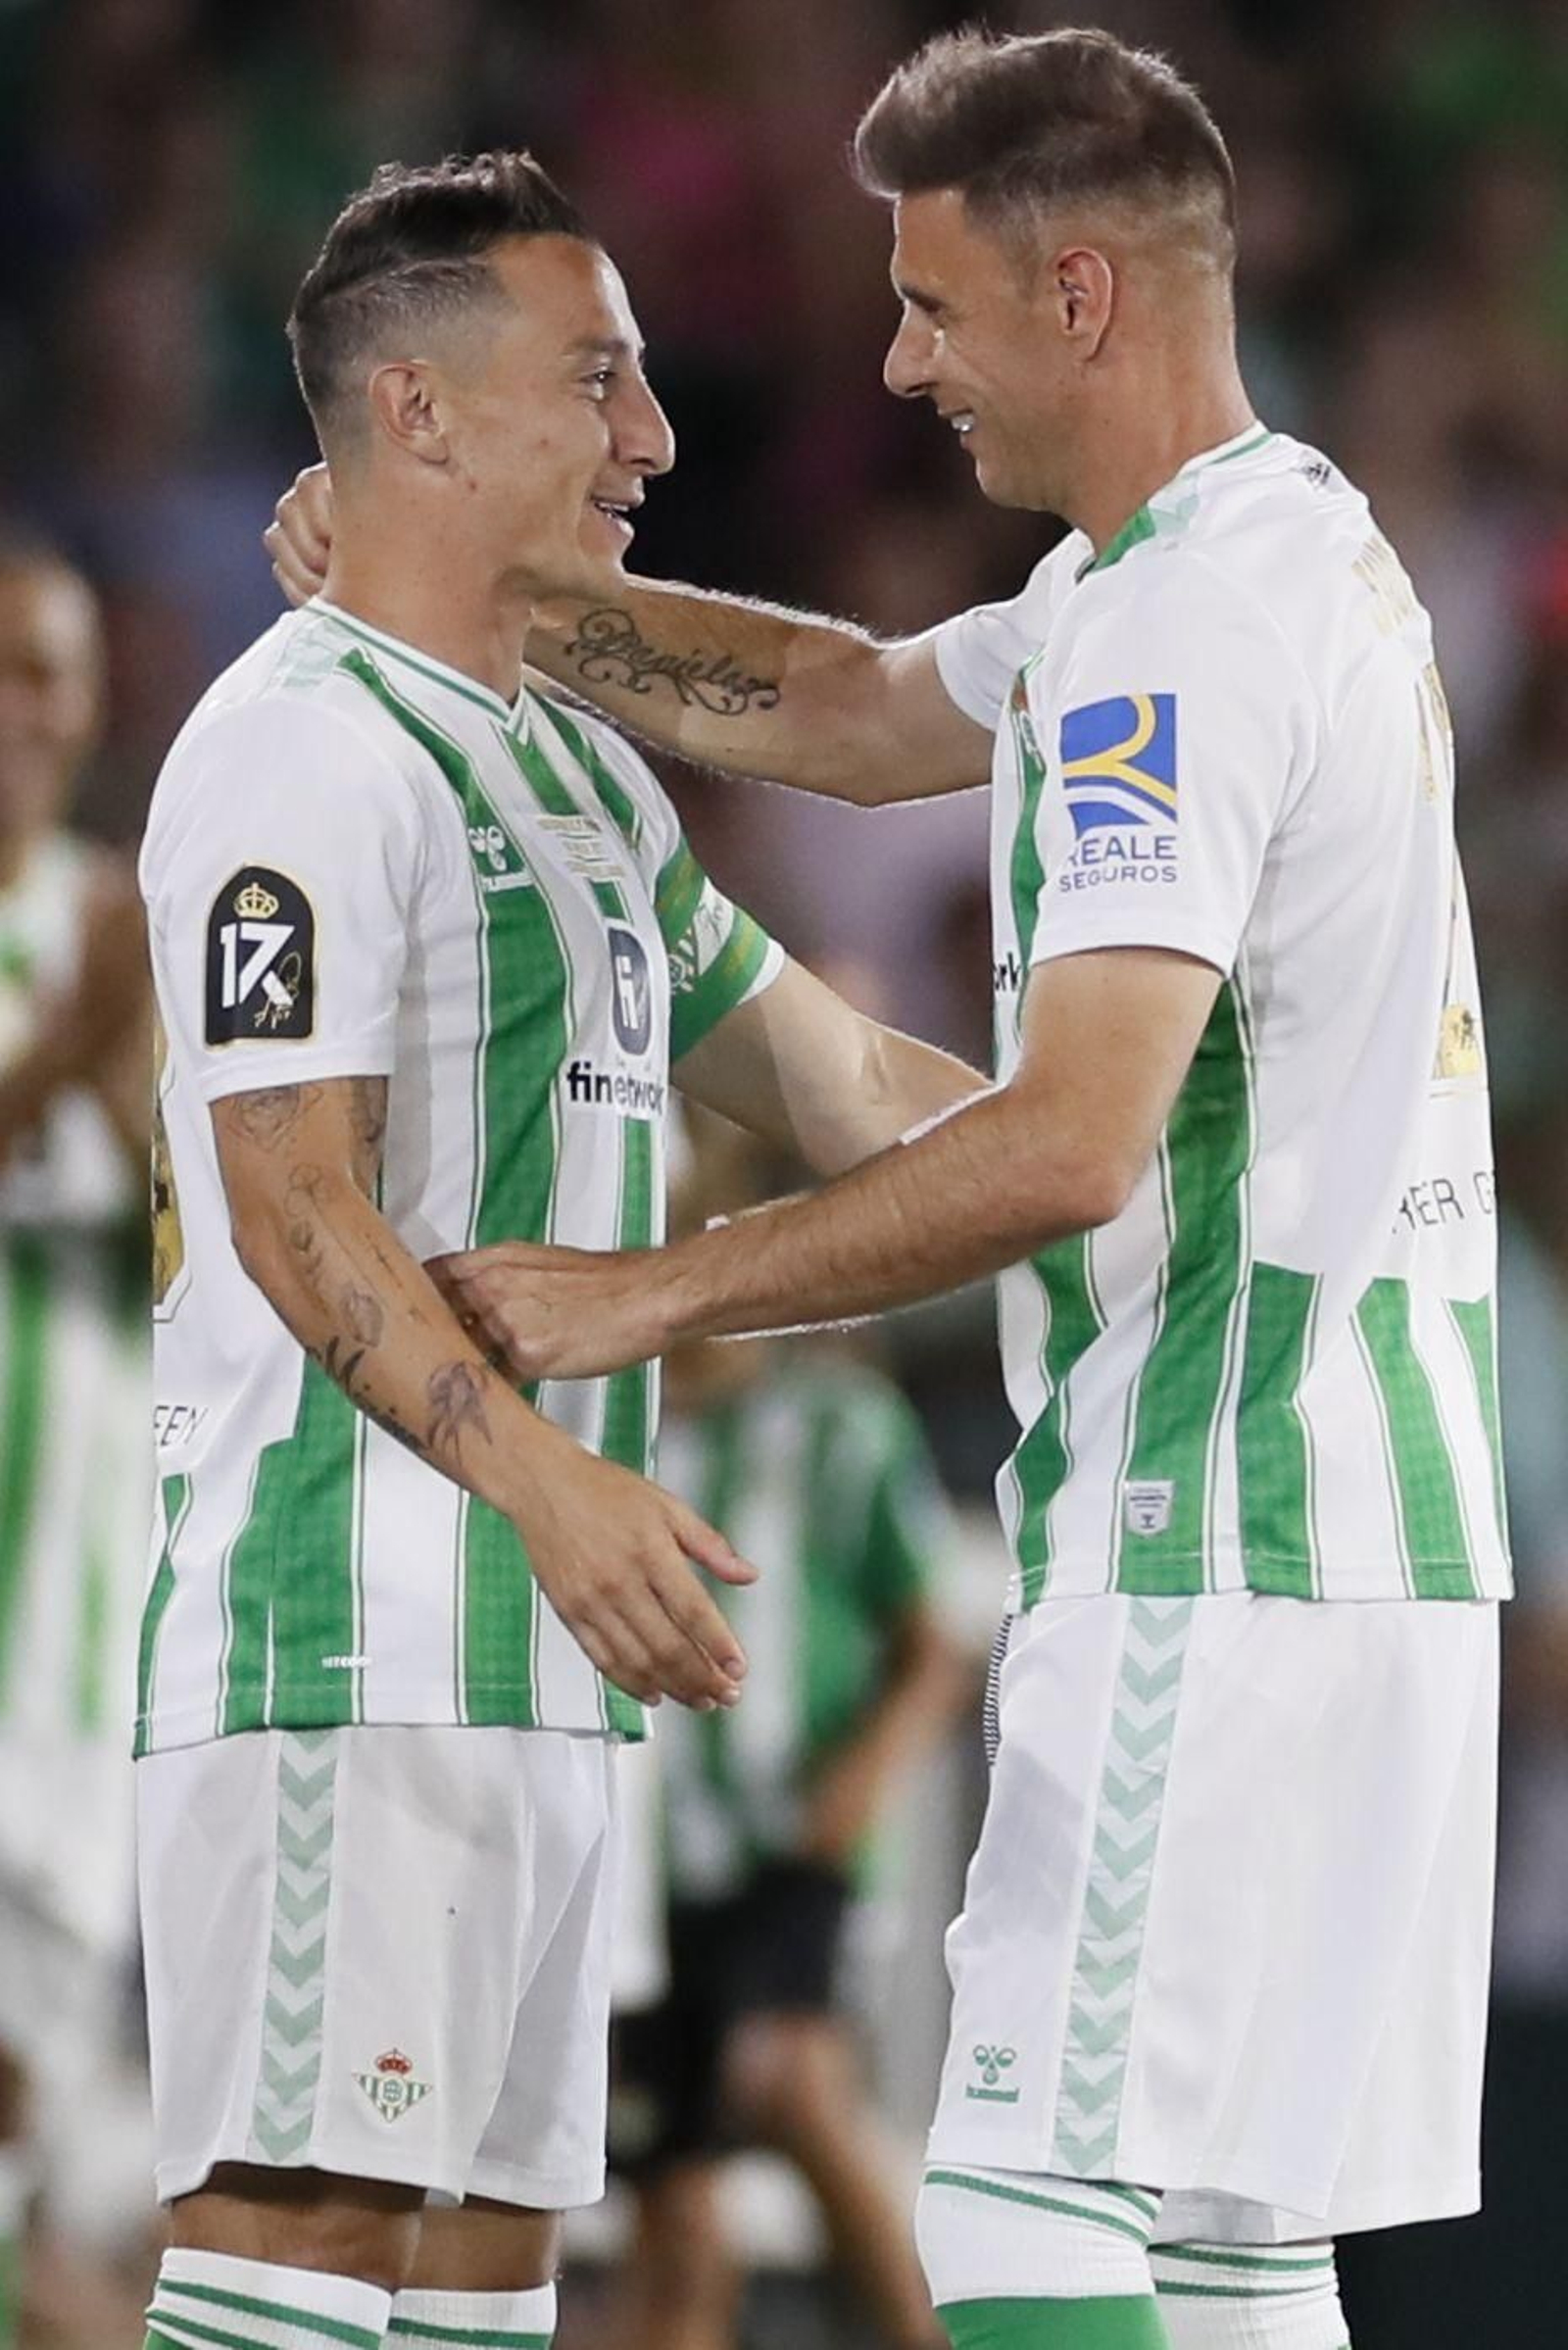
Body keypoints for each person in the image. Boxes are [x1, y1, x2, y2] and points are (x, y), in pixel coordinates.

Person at [272, 29, 1509, 2350]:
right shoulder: (1262, 553)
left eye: (929, 304)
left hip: (1206, 1528)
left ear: (1076, 296)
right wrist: (497, 590)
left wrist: (648, 1294)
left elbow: (1065, 1142)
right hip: (1375, 1533)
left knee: (1020, 2212)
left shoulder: (1173, 631)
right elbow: (843, 711)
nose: (891, 359)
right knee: (1224, 2256)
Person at [138, 154, 982, 2350]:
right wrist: (558, 1479)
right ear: (413, 413)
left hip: (540, 1663)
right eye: (597, 380)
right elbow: (288, 1195)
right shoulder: (294, 749)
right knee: (298, 2254)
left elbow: (844, 1092)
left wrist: (1172, 1162)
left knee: (489, 2293)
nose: (654, 438)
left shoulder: (584, 784)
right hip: (351, 1632)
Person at [608, 1108, 963, 2350]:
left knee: (792, 2078)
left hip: (788, 1848)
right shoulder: (598, 1442)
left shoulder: (838, 1428)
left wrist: (860, 1779)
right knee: (678, 2204)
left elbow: (935, 1641)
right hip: (643, 1865)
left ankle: (927, 2333)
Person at [0, 533, 153, 2347]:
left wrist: (123, 1050)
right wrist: (75, 1040)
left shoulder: (141, 928)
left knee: (30, 2121)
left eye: (44, 674)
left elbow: (211, 1224)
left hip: (71, 1633)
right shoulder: (110, 960)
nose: (18, 714)